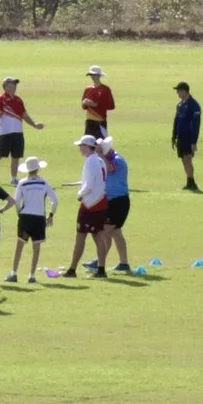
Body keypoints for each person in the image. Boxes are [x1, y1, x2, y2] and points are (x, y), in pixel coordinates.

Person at [64, 134, 110, 278]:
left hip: (90, 203)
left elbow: (89, 185)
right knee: (98, 235)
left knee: (80, 237)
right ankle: (101, 269)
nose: (80, 149)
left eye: (81, 146)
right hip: (101, 200)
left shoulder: (90, 161)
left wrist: (80, 193)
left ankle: (72, 269)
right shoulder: (100, 161)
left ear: (87, 147)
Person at [0, 75, 43, 176]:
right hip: (5, 132)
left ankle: (13, 178)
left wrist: (34, 125)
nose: (14, 86)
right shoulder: (1, 99)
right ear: (6, 86)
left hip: (18, 131)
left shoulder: (18, 100)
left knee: (16, 156)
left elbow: (24, 115)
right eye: (11, 84)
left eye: (14, 84)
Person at [11, 157, 56, 282]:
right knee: (36, 248)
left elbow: (17, 201)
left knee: (19, 245)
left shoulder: (22, 183)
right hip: (39, 217)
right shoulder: (44, 183)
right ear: (38, 169)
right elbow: (55, 200)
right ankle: (32, 275)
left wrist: (19, 214)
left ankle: (13, 273)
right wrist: (51, 215)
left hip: (25, 217)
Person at [99, 135, 133, 273]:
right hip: (113, 201)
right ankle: (124, 263)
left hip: (118, 201)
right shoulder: (110, 158)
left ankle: (99, 262)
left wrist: (101, 156)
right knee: (115, 232)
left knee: (105, 231)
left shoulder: (117, 160)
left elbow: (111, 168)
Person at [172, 81, 203, 191]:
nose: (177, 93)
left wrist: (194, 142)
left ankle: (192, 181)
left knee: (188, 158)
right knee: (183, 159)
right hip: (180, 136)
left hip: (188, 137)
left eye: (179, 91)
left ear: (184, 90)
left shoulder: (193, 105)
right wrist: (174, 136)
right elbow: (176, 121)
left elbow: (196, 125)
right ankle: (189, 181)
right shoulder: (180, 105)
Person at [80, 64, 116, 139]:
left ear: (99, 75)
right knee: (89, 143)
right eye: (91, 75)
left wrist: (96, 105)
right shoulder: (88, 89)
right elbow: (84, 106)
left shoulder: (105, 89)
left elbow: (111, 106)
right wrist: (85, 103)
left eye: (94, 75)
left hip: (100, 121)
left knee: (101, 144)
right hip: (89, 121)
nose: (92, 77)